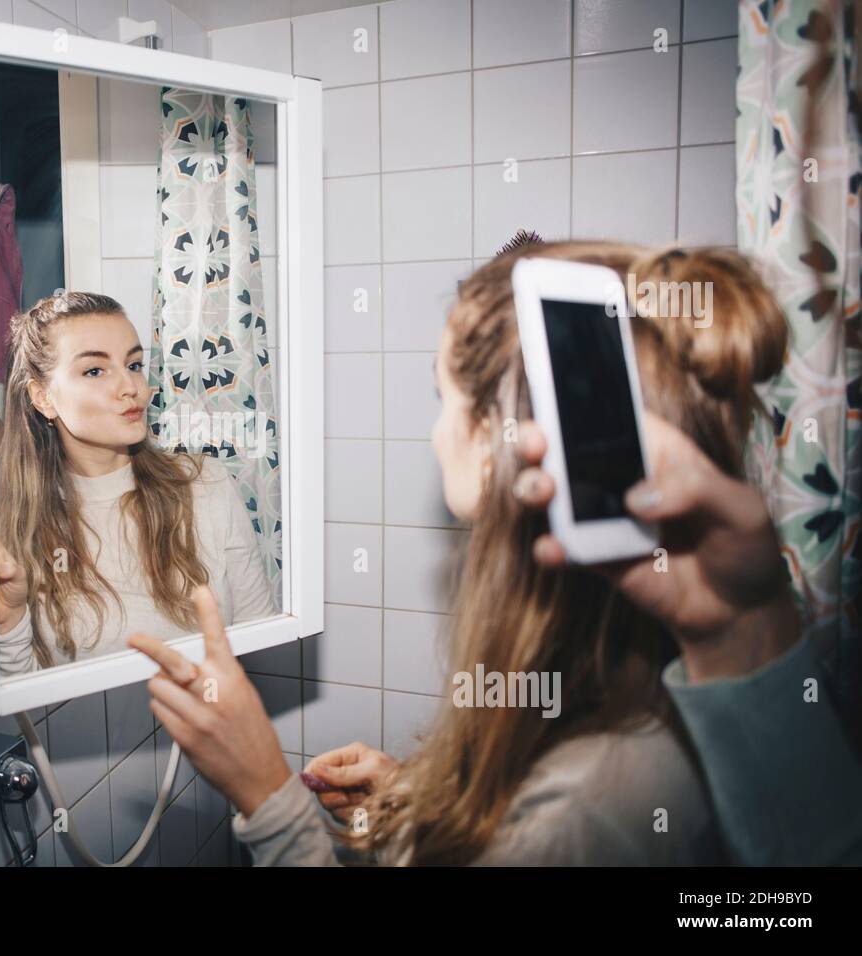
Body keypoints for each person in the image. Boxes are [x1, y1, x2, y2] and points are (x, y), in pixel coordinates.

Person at [130, 242, 862, 865]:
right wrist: (426, 803)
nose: (434, 433)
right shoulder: (643, 700)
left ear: (496, 440)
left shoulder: (585, 805)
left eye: (441, 396)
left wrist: (266, 793)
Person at [0, 291, 276, 674]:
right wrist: (9, 627)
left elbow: (260, 640)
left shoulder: (205, 485)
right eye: (95, 370)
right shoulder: (10, 533)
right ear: (43, 398)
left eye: (135, 364)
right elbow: (28, 707)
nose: (132, 387)